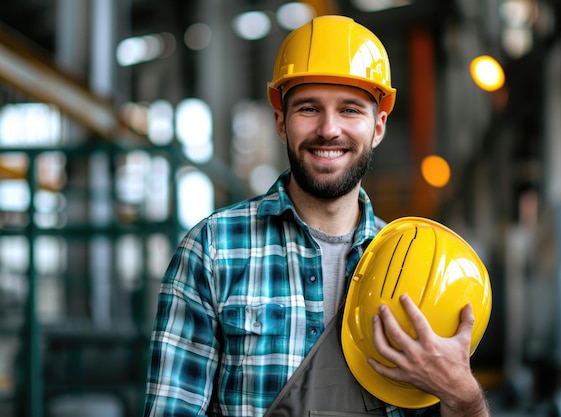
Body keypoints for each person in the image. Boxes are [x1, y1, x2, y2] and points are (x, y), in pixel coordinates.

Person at [143, 15, 491, 417]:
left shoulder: (421, 271)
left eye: (349, 109)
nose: (329, 129)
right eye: (309, 108)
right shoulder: (213, 250)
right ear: (280, 122)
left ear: (378, 126)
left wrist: (464, 397)